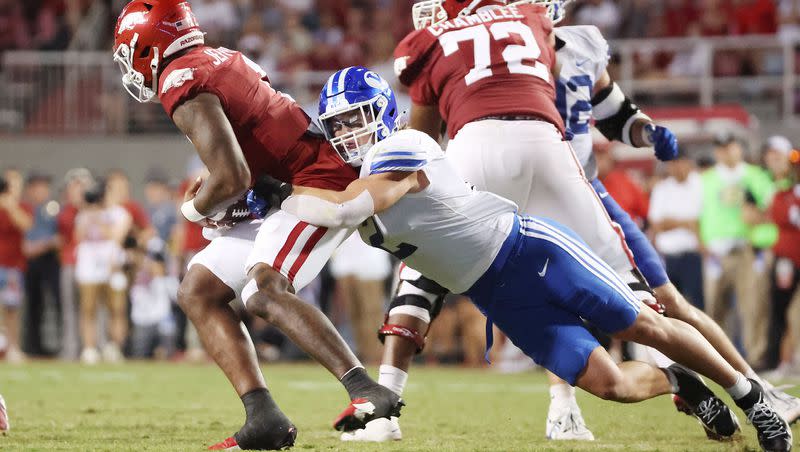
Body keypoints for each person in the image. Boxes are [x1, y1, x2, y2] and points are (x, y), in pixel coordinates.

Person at [254, 66, 792, 452]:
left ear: (385, 114)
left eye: (358, 118)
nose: (350, 133)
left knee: (645, 323)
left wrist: (281, 195)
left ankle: (752, 397)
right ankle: (679, 382)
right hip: (496, 296)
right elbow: (338, 211)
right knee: (613, 385)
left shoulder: (403, 146)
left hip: (529, 249)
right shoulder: (345, 181)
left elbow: (358, 206)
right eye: (339, 124)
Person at [356, 0, 800, 443]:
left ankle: (754, 395)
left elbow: (616, 115)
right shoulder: (529, 27)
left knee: (655, 307)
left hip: (555, 182)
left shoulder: (480, 41)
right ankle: (606, 395)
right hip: (552, 173)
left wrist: (646, 131)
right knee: (626, 344)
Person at [113, 2, 401, 449]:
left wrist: (197, 209)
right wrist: (236, 195)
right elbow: (251, 153)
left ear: (149, 47)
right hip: (283, 185)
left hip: (311, 184)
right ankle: (262, 416)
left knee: (263, 291)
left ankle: (364, 388)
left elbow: (233, 176)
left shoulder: (180, 78)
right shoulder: (219, 56)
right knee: (198, 291)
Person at [701, 132, 774, 369]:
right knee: (714, 309)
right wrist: (703, 244)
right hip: (716, 252)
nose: (726, 152)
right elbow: (697, 214)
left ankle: (756, 358)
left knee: (752, 307)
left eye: (730, 146)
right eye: (721, 148)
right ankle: (718, 360)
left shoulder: (755, 176)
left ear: (739, 148)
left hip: (746, 248)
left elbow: (772, 207)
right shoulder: (707, 179)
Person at [74, 181, 131, 364]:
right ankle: (90, 348)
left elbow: (116, 235)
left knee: (116, 309)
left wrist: (99, 219)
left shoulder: (119, 213)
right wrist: (88, 214)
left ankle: (114, 347)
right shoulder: (83, 214)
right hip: (89, 264)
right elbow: (78, 237)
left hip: (111, 263)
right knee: (88, 308)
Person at [649, 148, 705, 309]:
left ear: (688, 162)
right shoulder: (662, 188)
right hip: (668, 258)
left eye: (679, 162)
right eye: (672, 163)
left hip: (693, 256)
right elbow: (657, 225)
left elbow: (700, 221)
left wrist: (671, 222)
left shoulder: (700, 183)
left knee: (697, 306)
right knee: (671, 308)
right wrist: (685, 223)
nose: (675, 167)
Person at [766, 143, 800, 383]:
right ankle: (781, 361)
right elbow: (780, 218)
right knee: (781, 310)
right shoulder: (783, 196)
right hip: (788, 258)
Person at [21, 172, 61, 357]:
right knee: (33, 305)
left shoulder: (52, 209)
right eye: (37, 186)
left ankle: (60, 344)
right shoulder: (25, 209)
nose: (41, 191)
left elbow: (59, 237)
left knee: (56, 302)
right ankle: (32, 347)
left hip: (50, 261)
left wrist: (42, 245)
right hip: (29, 263)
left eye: (44, 186)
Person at [57, 168, 94, 361]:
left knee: (92, 308)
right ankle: (71, 349)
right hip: (70, 262)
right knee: (70, 309)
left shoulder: (96, 209)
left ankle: (94, 347)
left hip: (94, 265)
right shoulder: (65, 211)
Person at [0, 168, 31, 363]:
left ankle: (13, 348)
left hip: (13, 265)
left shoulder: (22, 206)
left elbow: (26, 224)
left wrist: (10, 206)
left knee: (12, 308)